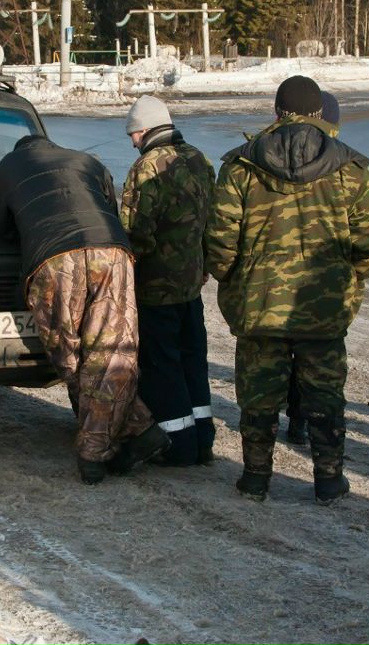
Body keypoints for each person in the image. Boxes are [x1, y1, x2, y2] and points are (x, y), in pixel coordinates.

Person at [205, 75, 369, 505]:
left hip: (259, 305)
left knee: (258, 395)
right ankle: (328, 479)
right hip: (323, 308)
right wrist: (348, 282)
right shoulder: (351, 169)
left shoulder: (240, 167)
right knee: (324, 394)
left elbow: (220, 241)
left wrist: (235, 281)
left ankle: (255, 477)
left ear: (277, 112)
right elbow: (368, 242)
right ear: (320, 114)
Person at [0, 135, 170, 485]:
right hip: (112, 251)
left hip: (55, 257)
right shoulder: (87, 160)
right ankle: (141, 430)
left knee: (69, 354)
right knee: (111, 352)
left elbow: (4, 228)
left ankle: (93, 453)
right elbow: (110, 208)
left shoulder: (9, 167)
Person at [119, 96, 217, 466]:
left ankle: (179, 446)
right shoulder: (199, 159)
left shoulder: (146, 167)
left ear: (146, 129)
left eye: (133, 133)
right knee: (193, 360)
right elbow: (212, 220)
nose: (132, 141)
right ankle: (203, 440)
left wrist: (127, 269)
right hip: (191, 284)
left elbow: (136, 231)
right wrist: (205, 263)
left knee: (162, 366)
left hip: (156, 288)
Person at [281, 89, 343, 447]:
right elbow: (367, 237)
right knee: (318, 362)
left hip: (280, 281)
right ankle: (304, 422)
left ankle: (295, 418)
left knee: (289, 353)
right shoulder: (344, 165)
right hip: (324, 285)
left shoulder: (273, 151)